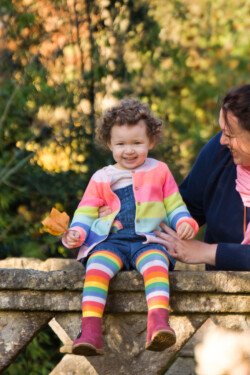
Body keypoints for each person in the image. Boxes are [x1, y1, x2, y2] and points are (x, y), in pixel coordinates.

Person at [62, 98, 199, 356]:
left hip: (149, 240)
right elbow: (86, 210)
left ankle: (158, 324)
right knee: (97, 268)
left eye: (137, 143)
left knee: (157, 266)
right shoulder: (102, 177)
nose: (129, 150)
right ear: (109, 144)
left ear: (151, 142)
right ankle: (90, 330)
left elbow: (174, 205)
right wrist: (77, 233)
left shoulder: (160, 171)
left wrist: (184, 222)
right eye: (121, 144)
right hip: (111, 242)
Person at [155, 84, 250, 271]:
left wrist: (207, 252)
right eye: (222, 131)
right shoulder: (220, 151)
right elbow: (182, 209)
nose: (222, 140)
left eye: (229, 134)